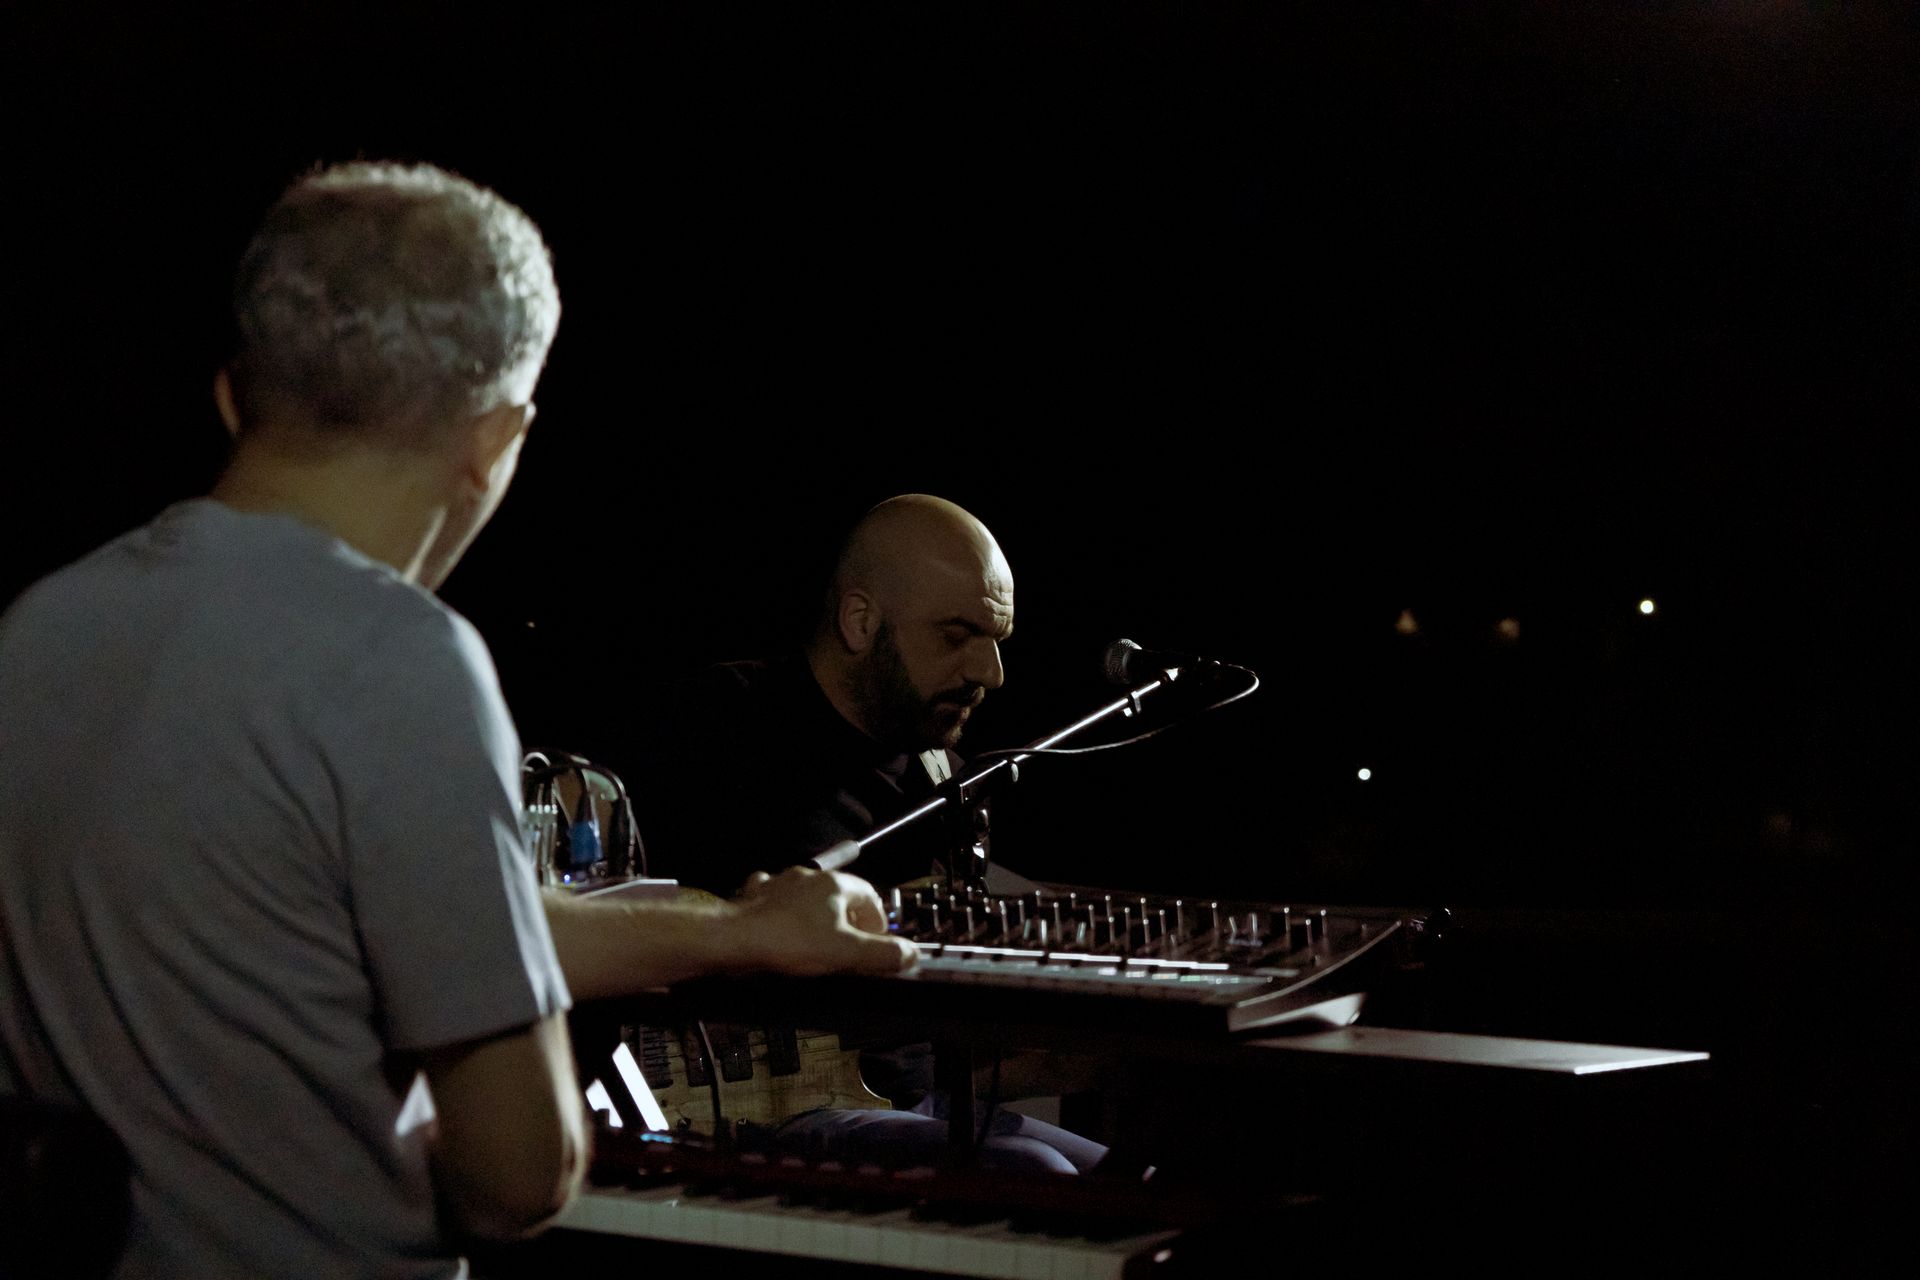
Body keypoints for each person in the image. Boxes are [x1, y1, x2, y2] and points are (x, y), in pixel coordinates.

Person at [0, 162, 913, 1280]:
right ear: (497, 439)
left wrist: (728, 931)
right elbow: (518, 1176)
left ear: (237, 394)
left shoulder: (39, 630)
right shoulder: (401, 658)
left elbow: (383, 922)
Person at [625, 494, 1105, 1174]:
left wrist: (1058, 1057)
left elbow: (914, 1059)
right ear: (860, 621)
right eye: (957, 636)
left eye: (997, 641)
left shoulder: (943, 779)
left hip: (907, 1106)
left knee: (1128, 1179)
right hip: (754, 1119)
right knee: (1034, 1174)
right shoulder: (711, 728)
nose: (990, 673)